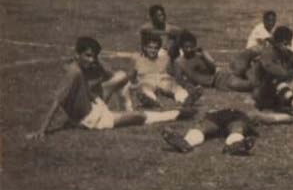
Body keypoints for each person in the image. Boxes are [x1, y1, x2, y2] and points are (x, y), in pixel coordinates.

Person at [26, 37, 196, 141]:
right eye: (88, 55)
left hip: (94, 103)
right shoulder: (74, 72)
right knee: (137, 117)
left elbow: (109, 75)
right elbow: (57, 102)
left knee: (121, 76)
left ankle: (127, 105)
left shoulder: (79, 66)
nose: (91, 59)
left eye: (93, 56)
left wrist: (96, 61)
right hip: (93, 119)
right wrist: (42, 131)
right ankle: (177, 114)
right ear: (77, 54)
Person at [161, 108, 293, 156]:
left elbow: (275, 118)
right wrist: (289, 117)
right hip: (219, 116)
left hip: (226, 117)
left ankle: (235, 145)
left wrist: (288, 117)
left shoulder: (252, 115)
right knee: (204, 127)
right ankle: (185, 142)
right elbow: (275, 117)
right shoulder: (252, 114)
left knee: (236, 128)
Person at [125, 31, 202, 108]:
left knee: (174, 86)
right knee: (145, 88)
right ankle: (151, 100)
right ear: (145, 48)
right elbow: (131, 77)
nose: (153, 50)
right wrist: (132, 86)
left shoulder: (164, 58)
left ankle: (185, 99)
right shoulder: (138, 59)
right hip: (147, 81)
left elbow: (173, 70)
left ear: (159, 49)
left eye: (155, 48)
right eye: (150, 48)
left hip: (163, 80)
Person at [174, 31, 255, 92]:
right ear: (181, 47)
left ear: (195, 45)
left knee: (246, 60)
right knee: (250, 85)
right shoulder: (179, 62)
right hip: (221, 81)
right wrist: (190, 87)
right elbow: (179, 80)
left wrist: (204, 56)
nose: (189, 49)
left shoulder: (199, 55)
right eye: (186, 47)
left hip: (224, 74)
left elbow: (213, 68)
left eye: (191, 47)